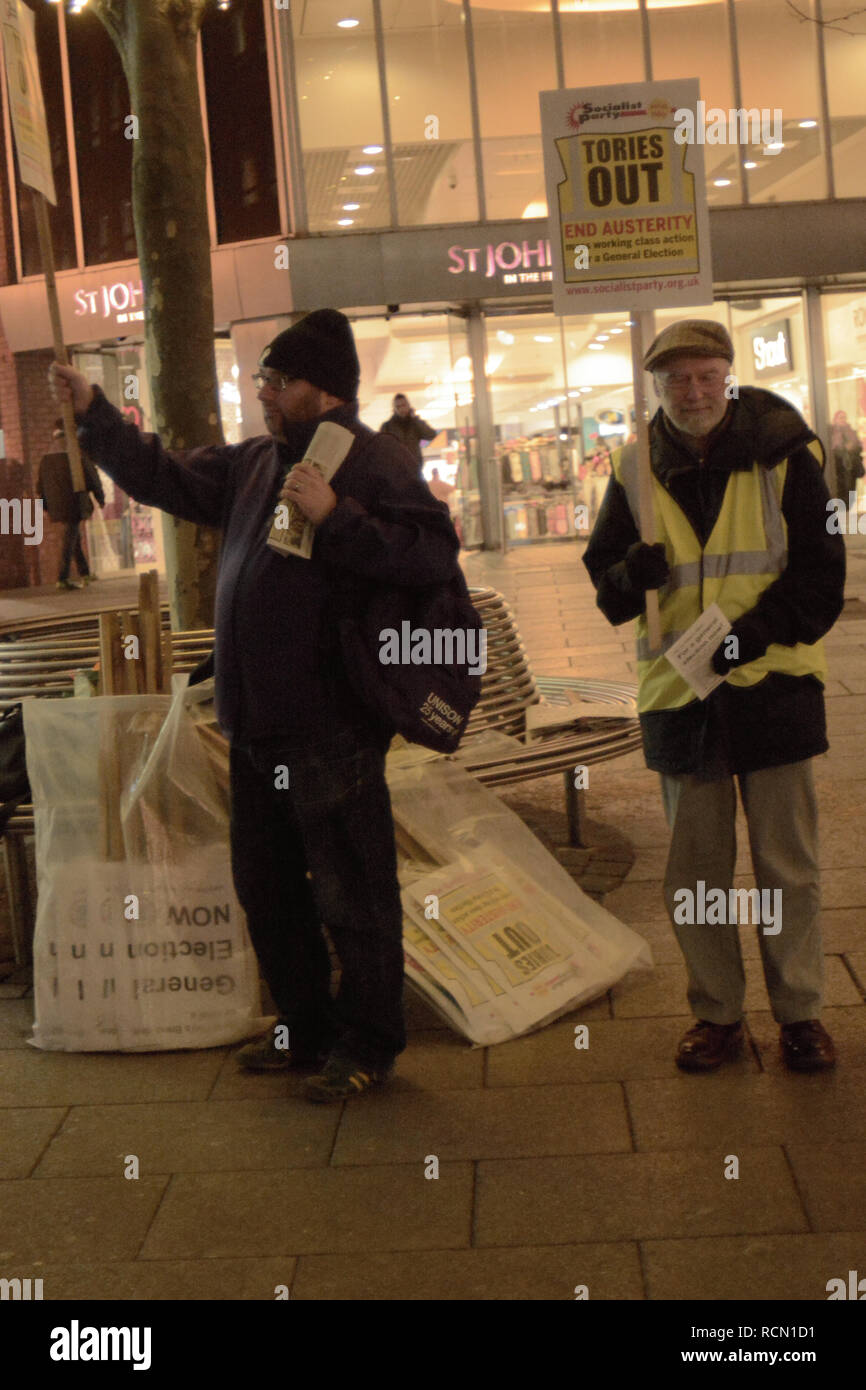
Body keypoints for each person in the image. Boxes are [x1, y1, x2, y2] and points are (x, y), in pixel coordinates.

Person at [50, 308, 462, 1102]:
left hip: (330, 724)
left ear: (323, 389)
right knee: (267, 886)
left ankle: (369, 1040)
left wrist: (337, 520)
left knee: (351, 890)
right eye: (263, 378)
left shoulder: (373, 463)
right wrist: (95, 415)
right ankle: (302, 1026)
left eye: (279, 380)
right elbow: (167, 476)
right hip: (255, 723)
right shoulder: (257, 464)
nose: (264, 392)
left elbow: (431, 556)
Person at [583, 318, 845, 1074]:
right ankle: (717, 1016)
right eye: (677, 381)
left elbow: (822, 580)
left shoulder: (787, 456)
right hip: (679, 696)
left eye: (705, 377)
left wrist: (748, 638)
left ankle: (800, 1014)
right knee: (695, 870)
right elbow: (607, 590)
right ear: (658, 389)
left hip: (775, 685)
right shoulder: (634, 465)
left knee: (786, 862)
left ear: (727, 377)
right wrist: (632, 573)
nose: (692, 393)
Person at [37, 419, 105, 589]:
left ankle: (85, 573)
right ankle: (62, 577)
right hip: (74, 502)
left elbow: (40, 486)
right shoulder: (76, 453)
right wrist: (100, 497)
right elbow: (92, 476)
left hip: (56, 505)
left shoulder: (46, 456)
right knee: (69, 539)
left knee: (73, 537)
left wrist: (45, 506)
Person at [380, 393, 438, 472]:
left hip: (415, 467)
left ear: (408, 405)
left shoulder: (415, 424)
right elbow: (382, 450)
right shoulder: (387, 427)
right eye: (398, 407)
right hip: (396, 469)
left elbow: (431, 435)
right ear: (394, 409)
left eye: (403, 405)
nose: (401, 409)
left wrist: (415, 419)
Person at [830, 409, 864, 501]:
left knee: (852, 488)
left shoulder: (851, 431)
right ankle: (843, 510)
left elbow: (859, 446)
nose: (843, 420)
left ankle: (851, 508)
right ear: (835, 419)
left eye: (844, 417)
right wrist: (845, 448)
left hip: (852, 466)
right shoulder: (832, 432)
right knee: (842, 489)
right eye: (841, 417)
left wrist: (853, 447)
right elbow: (833, 448)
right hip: (840, 467)